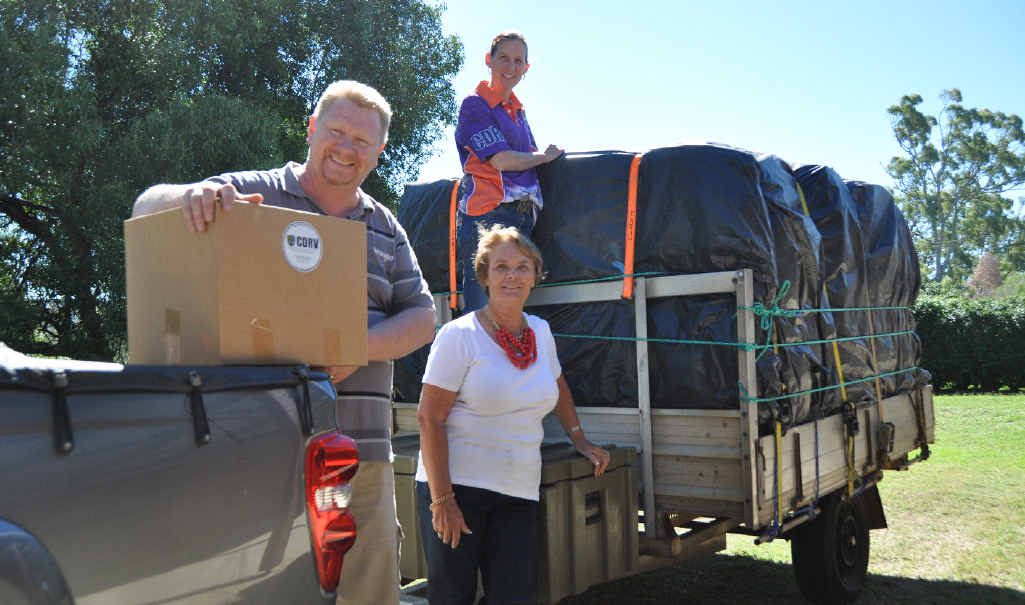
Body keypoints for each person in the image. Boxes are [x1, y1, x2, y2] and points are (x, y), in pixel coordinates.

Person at [132, 80, 436, 605]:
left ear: (380, 152)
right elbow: (143, 207)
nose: (346, 148)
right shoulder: (251, 194)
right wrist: (191, 195)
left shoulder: (385, 227)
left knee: (369, 588)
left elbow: (424, 317)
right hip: (254, 450)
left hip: (360, 456)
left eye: (362, 141)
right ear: (312, 128)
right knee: (260, 591)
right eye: (336, 131)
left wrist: (353, 348)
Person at [415, 224, 609, 604]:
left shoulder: (541, 332)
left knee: (513, 597)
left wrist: (579, 437)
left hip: (518, 491)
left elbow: (558, 385)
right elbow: (429, 418)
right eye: (502, 267)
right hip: (458, 490)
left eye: (523, 266)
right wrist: (442, 500)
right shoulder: (460, 335)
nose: (513, 275)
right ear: (484, 276)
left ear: (535, 276)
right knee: (452, 597)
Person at [455, 30, 564, 312]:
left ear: (526, 68)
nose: (511, 67)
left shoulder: (518, 111)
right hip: (488, 216)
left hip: (524, 219)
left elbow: (527, 159)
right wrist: (543, 157)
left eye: (518, 61)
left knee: (512, 314)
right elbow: (501, 160)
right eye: (503, 58)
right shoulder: (475, 105)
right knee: (485, 314)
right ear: (488, 61)